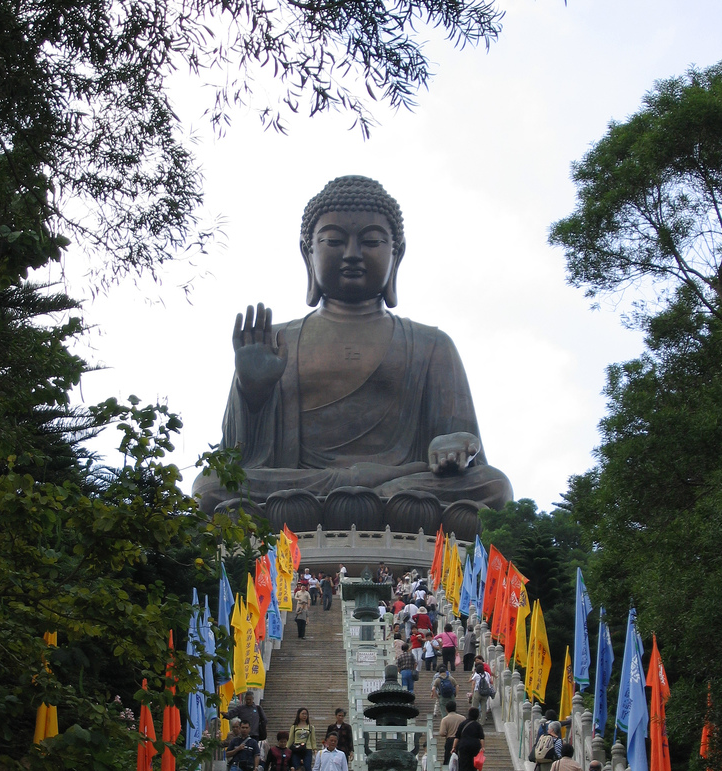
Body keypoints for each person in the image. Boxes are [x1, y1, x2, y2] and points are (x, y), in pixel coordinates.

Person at [192, 176, 513, 529]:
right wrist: (252, 394)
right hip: (312, 489)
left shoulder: (431, 344)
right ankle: (365, 494)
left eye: (372, 241)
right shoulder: (277, 340)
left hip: (394, 487)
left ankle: (368, 494)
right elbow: (236, 461)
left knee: (495, 488)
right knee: (211, 487)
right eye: (333, 241)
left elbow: (466, 451)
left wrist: (453, 444)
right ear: (307, 251)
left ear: (397, 252)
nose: (352, 254)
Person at [452, 706, 484, 771]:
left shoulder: (462, 724)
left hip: (464, 746)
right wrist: (482, 747)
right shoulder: (478, 725)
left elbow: (457, 737)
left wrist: (453, 747)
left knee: (464, 765)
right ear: (477, 716)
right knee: (473, 766)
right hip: (475, 746)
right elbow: (481, 738)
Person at [288, 707, 317, 771]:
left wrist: (315, 749)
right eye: (303, 714)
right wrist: (286, 748)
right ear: (298, 715)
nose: (304, 716)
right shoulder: (294, 727)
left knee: (307, 767)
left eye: (306, 714)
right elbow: (290, 739)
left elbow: (313, 739)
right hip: (296, 748)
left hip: (307, 748)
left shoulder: (311, 727)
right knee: (296, 767)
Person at [438, 699, 465, 765]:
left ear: (446, 709)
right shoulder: (463, 718)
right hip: (461, 740)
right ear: (455, 708)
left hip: (450, 740)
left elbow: (442, 733)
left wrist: (447, 733)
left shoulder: (445, 719)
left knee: (448, 758)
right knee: (460, 758)